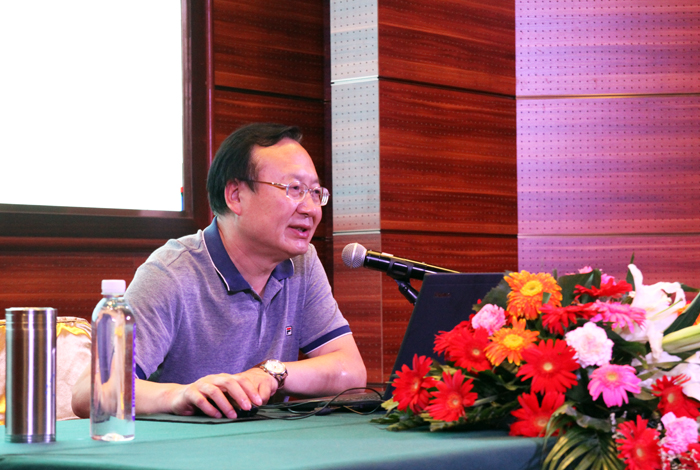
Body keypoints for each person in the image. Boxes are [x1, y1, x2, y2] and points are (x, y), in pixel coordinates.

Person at [72, 123, 367, 419]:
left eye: (315, 192)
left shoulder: (302, 263)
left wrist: (271, 373)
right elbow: (89, 392)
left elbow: (351, 373)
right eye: (294, 189)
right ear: (235, 195)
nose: (311, 209)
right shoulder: (172, 272)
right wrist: (179, 395)